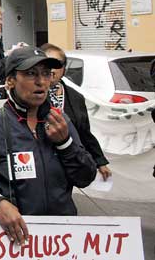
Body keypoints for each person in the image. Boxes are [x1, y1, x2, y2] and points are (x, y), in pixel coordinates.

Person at [0, 47, 97, 249]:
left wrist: (65, 144)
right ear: (10, 80)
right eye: (31, 74)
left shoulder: (60, 122)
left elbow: (86, 177)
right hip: (9, 244)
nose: (41, 82)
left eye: (45, 74)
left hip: (60, 244)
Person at [41, 43, 111, 180]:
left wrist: (100, 161)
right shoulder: (30, 94)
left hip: (68, 159)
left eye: (58, 64)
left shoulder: (75, 97)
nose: (53, 70)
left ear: (64, 69)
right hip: (42, 159)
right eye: (49, 64)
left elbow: (84, 132)